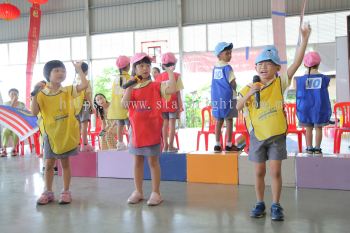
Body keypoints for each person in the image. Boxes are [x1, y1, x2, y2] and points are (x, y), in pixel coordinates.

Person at [236, 24, 311, 221]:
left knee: (275, 171)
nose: (263, 67)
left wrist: (304, 39)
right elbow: (237, 107)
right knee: (259, 171)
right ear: (255, 68)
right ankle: (260, 203)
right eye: (260, 64)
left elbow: (296, 62)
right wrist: (250, 93)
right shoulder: (248, 87)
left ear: (277, 68)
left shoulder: (281, 82)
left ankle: (276, 205)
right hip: (257, 137)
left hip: (277, 135)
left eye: (268, 63)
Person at [121, 53, 176, 206]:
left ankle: (156, 192)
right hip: (136, 133)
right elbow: (124, 104)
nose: (145, 68)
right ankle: (138, 191)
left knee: (153, 161)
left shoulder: (155, 86)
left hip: (152, 131)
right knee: (137, 161)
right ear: (135, 69)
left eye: (147, 65)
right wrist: (130, 87)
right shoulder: (131, 87)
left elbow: (171, 88)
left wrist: (169, 73)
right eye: (141, 66)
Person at [31, 60, 88, 205]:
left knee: (65, 163)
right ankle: (47, 191)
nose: (61, 73)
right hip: (50, 135)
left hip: (66, 133)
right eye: (56, 70)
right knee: (49, 164)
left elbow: (84, 85)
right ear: (48, 74)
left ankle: (66, 191)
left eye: (63, 71)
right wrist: (34, 95)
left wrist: (79, 70)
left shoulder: (68, 90)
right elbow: (34, 112)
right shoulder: (42, 94)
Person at [295, 51, 331, 154]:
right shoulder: (324, 79)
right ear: (319, 64)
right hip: (319, 108)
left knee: (308, 129)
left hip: (305, 108)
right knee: (318, 128)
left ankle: (309, 148)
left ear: (305, 65)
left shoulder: (300, 80)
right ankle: (317, 148)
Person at [211, 42, 241, 152]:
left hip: (216, 98)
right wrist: (235, 90)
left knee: (218, 121)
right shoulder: (228, 68)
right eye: (227, 53)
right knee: (229, 121)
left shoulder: (215, 68)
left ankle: (217, 145)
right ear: (219, 55)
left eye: (230, 53)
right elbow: (232, 82)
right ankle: (228, 145)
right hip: (228, 97)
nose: (230, 55)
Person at [155, 52, 184, 152]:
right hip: (173, 104)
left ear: (163, 65)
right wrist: (180, 106)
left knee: (164, 125)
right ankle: (171, 146)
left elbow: (157, 93)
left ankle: (165, 146)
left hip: (162, 105)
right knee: (172, 125)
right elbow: (178, 92)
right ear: (174, 65)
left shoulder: (159, 77)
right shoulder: (176, 76)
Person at [107, 56, 131, 151]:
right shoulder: (129, 78)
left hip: (116, 107)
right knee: (129, 125)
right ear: (128, 66)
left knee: (120, 126)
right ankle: (131, 143)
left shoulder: (116, 79)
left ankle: (120, 144)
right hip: (126, 106)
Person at [74, 62, 94, 152]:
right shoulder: (86, 82)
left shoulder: (74, 81)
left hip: (75, 106)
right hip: (85, 104)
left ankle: (77, 144)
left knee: (77, 126)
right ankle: (84, 145)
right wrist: (92, 106)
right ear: (85, 71)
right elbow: (87, 95)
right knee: (84, 126)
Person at [0, 88, 26, 157]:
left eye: (15, 94)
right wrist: (12, 103)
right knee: (5, 132)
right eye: (12, 94)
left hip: (18, 125)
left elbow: (25, 114)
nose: (14, 95)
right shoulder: (6, 104)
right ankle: (4, 149)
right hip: (9, 125)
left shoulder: (22, 104)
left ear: (18, 95)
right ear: (9, 95)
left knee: (16, 132)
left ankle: (14, 149)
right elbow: (7, 113)